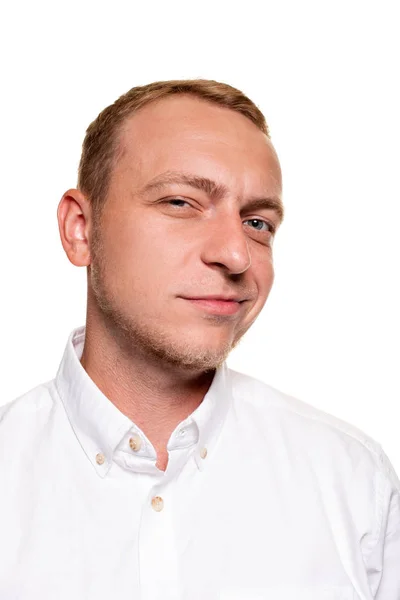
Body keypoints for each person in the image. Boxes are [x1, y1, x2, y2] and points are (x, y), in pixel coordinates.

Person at [0, 79, 398, 600]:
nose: (237, 255)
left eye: (257, 222)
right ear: (81, 229)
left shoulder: (353, 481)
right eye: (182, 203)